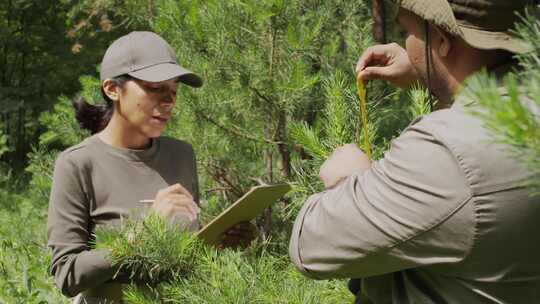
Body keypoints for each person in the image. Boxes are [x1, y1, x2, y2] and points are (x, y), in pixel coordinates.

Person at [289, 0, 540, 303]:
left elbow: (310, 247)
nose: (406, 46)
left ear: (442, 39)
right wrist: (434, 70)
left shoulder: (447, 154)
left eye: (407, 32)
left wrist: (351, 180)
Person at [47, 31, 254, 304]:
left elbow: (184, 258)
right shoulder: (77, 163)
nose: (168, 102)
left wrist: (218, 244)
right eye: (155, 88)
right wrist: (144, 232)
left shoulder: (180, 155)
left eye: (173, 91)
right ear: (112, 89)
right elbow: (67, 274)